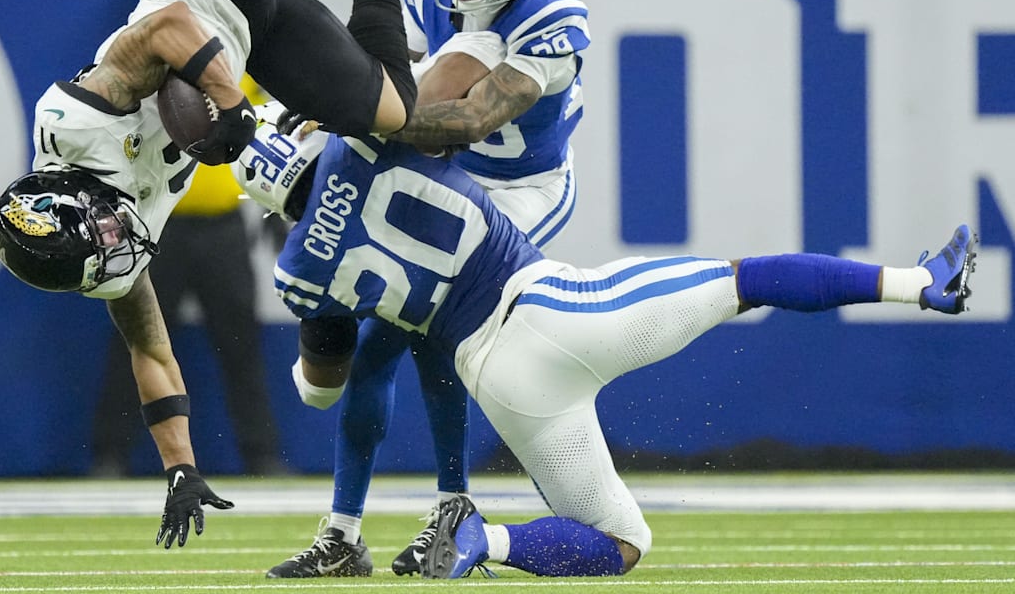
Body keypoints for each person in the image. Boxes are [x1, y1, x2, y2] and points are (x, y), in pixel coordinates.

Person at [231, 111, 977, 578]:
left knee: (621, 543)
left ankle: (482, 541)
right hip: (556, 309)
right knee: (748, 278)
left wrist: (316, 311)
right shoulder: (375, 135)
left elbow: (319, 390)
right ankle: (921, 284)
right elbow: (419, 93)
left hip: (499, 379)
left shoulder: (303, 269)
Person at [0, 0, 417, 549]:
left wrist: (230, 100)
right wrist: (180, 467)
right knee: (391, 109)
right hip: (253, 35)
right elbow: (150, 349)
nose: (120, 243)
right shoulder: (104, 254)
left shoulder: (82, 122)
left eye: (107, 235)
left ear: (72, 192)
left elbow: (164, 24)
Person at [263, 0, 590, 578]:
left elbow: (469, 116)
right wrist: (340, 96)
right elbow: (394, 77)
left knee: (415, 328)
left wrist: (352, 112)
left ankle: (414, 520)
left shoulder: (549, 17)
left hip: (522, 191)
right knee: (395, 338)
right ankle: (371, 529)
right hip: (449, 169)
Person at [91, 77, 286, 478]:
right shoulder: (154, 69)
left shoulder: (239, 66)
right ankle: (110, 453)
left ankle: (261, 454)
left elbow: (276, 130)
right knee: (137, 339)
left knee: (240, 342)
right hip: (158, 226)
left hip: (223, 225)